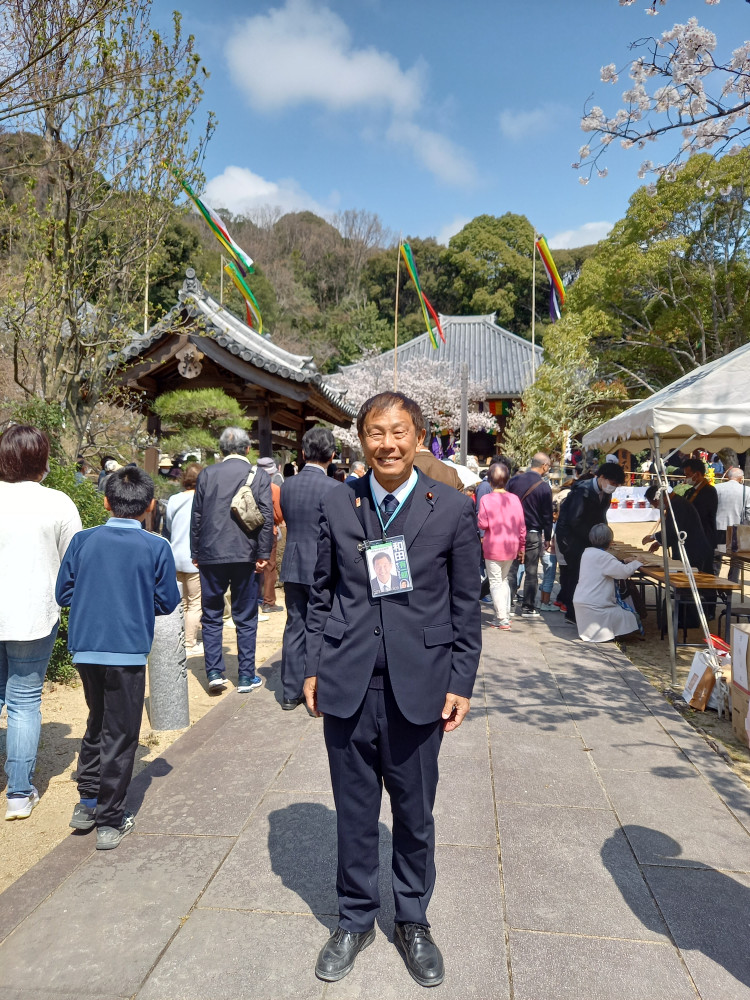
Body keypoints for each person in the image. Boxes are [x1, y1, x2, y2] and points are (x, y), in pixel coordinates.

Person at [303, 391, 481, 988]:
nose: (387, 443)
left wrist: (461, 681)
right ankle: (354, 917)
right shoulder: (338, 502)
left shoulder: (452, 508)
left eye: (398, 431)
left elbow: (465, 605)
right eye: (375, 432)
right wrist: (309, 667)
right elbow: (318, 594)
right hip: (348, 684)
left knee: (414, 811)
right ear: (361, 439)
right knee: (354, 813)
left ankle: (413, 919)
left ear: (418, 436)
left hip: (420, 686)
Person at [55, 467, 180, 849]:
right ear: (150, 506)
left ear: (106, 501)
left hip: (86, 645)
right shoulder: (156, 546)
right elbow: (168, 601)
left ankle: (87, 802)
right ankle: (110, 818)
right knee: (122, 732)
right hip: (126, 648)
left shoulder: (82, 540)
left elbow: (64, 593)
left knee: (97, 719)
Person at [0, 425, 82, 820]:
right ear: (41, 459)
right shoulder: (58, 502)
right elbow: (75, 561)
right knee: (23, 702)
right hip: (33, 614)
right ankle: (18, 792)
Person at [190, 428, 273, 694]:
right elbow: (266, 516)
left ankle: (214, 671)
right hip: (245, 553)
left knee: (212, 613)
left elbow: (198, 516)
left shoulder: (207, 474)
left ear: (222, 450)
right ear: (248, 449)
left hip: (211, 553)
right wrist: (263, 554)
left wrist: (195, 551)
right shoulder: (258, 475)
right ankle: (246, 676)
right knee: (246, 615)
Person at [278, 427, 339, 710]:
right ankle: (319, 690)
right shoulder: (336, 489)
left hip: (293, 562)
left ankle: (290, 692)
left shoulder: (287, 485)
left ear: (303, 454)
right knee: (323, 627)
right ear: (332, 455)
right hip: (322, 567)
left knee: (295, 625)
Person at [555, 461, 626, 625]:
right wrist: (594, 538)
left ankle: (581, 612)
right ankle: (573, 614)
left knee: (585, 576)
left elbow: (601, 516)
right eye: (612, 483)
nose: (613, 487)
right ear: (602, 477)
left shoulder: (605, 492)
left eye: (616, 485)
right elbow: (574, 520)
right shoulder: (583, 490)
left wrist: (605, 535)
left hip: (587, 538)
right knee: (576, 576)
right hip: (571, 539)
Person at [573, 524, 643, 642]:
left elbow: (606, 567)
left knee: (626, 613)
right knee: (634, 617)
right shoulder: (604, 557)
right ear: (610, 542)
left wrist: (624, 561)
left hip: (583, 602)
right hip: (596, 606)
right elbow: (623, 573)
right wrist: (638, 562)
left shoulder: (587, 553)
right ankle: (617, 635)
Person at [477, 462, 526, 630]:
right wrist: (522, 547)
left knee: (496, 582)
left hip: (493, 546)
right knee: (503, 580)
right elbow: (521, 526)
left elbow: (482, 523)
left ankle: (502, 618)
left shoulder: (486, 499)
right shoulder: (514, 499)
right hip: (511, 545)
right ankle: (504, 614)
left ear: (490, 480)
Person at [506, 453, 554, 619]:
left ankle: (509, 604)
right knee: (531, 571)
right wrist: (548, 537)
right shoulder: (544, 487)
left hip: (512, 531)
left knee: (511, 570)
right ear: (545, 466)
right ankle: (528, 606)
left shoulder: (513, 481)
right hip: (533, 532)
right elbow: (547, 515)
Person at [165, 462, 204, 655]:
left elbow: (169, 525)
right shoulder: (203, 499)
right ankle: (190, 643)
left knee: (181, 602)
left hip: (175, 554)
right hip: (195, 557)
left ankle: (178, 639)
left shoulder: (173, 499)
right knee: (195, 602)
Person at [714, 468, 750, 579]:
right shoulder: (747, 490)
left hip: (719, 527)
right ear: (741, 478)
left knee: (717, 557)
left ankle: (713, 583)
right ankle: (731, 586)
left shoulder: (716, 488)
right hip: (737, 531)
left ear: (727, 476)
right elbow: (748, 512)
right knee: (736, 559)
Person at [682, 457, 718, 550]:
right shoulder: (689, 491)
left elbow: (701, 513)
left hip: (704, 538)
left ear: (697, 474)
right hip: (690, 537)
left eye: (688, 475)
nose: (686, 478)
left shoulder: (709, 491)